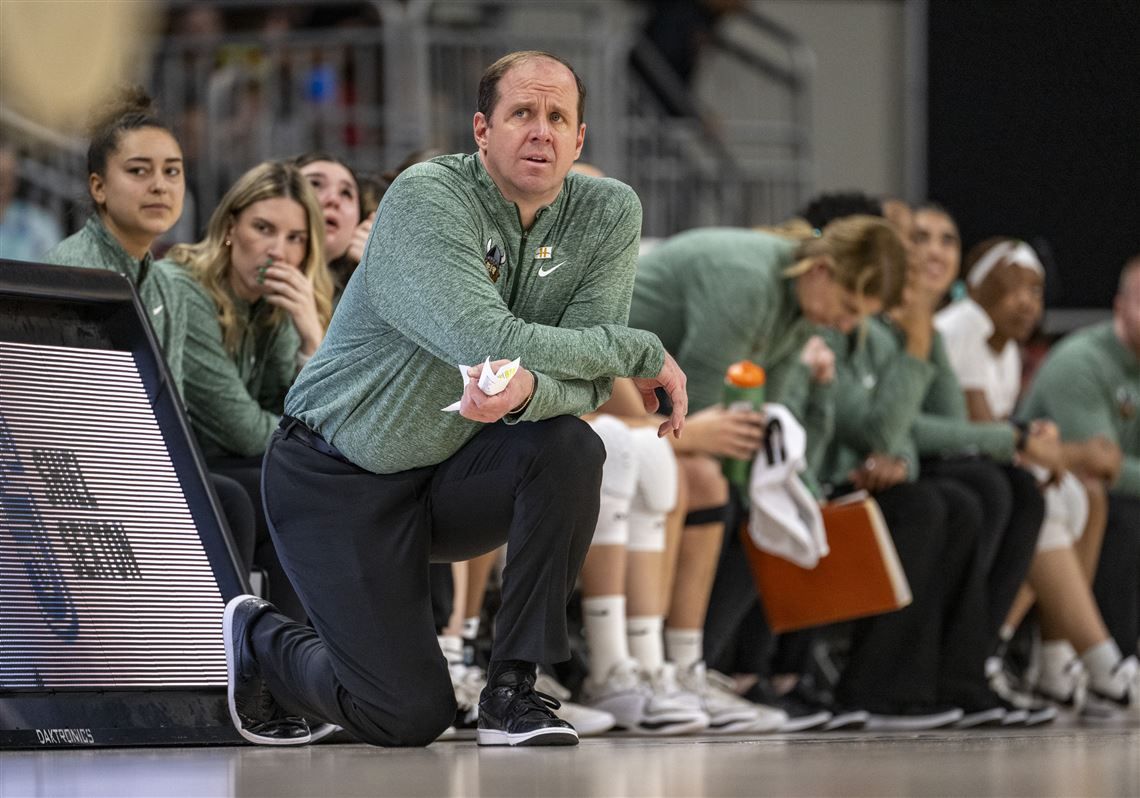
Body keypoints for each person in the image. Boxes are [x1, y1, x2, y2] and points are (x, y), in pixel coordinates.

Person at [222, 50, 687, 748]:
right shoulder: (426, 197)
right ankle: (259, 636)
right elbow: (485, 337)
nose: (541, 132)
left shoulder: (608, 211)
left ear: (581, 139)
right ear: (481, 129)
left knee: (570, 446)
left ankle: (513, 690)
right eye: (521, 114)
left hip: (446, 474)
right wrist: (640, 349)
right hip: (334, 471)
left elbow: (586, 384)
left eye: (558, 117)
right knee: (406, 716)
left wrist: (531, 391)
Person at [42, 87, 256, 576]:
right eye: (138, 171)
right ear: (98, 187)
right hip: (82, 475)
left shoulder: (165, 285)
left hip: (144, 469)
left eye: (172, 171)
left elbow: (168, 404)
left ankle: (257, 651)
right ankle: (220, 649)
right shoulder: (73, 271)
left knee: (277, 488)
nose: (160, 185)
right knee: (234, 502)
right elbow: (67, 417)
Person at [935, 237, 1130, 718]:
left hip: (986, 468)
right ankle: (1100, 663)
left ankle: (1055, 662)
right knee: (1042, 505)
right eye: (1012, 288)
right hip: (948, 469)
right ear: (981, 291)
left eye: (1036, 290)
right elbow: (984, 432)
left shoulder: (1007, 345)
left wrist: (1040, 446)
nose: (1027, 301)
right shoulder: (964, 329)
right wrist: (1055, 448)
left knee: (1081, 496)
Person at [161, 160, 333, 622]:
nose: (279, 250)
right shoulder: (185, 289)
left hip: (234, 467)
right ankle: (241, 666)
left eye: (295, 238)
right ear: (230, 227)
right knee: (294, 487)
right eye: (264, 228)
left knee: (311, 492)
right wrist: (303, 441)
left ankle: (297, 674)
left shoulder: (275, 308)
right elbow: (244, 429)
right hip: (173, 466)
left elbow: (310, 422)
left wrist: (311, 338)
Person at [1019, 255, 1140, 715]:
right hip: (1055, 490)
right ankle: (1110, 661)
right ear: (1119, 306)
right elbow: (1102, 467)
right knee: (1114, 508)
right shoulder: (1083, 363)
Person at [0, 143, 63, 261]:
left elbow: (54, 269)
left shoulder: (40, 223)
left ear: (15, 180)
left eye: (5, 176)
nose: (2, 183)